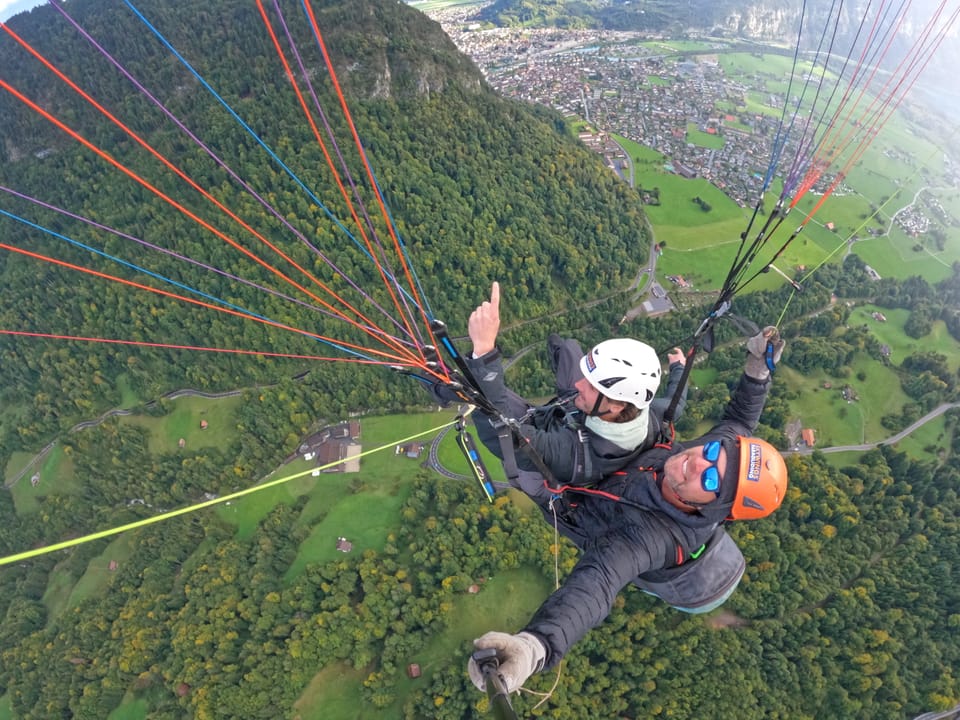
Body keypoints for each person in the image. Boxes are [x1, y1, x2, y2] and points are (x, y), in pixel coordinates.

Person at [466, 325, 788, 694]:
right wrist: (757, 371)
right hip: (612, 471)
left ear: (719, 509)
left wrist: (534, 646)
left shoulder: (649, 538)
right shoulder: (710, 455)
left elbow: (596, 585)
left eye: (712, 481)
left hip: (572, 500)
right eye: (713, 453)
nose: (699, 463)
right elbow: (739, 422)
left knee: (527, 465)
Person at [435, 281, 688, 498]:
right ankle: (561, 359)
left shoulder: (570, 454)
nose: (579, 383)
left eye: (591, 384)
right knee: (567, 347)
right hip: (573, 416)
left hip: (535, 456)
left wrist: (483, 351)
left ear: (617, 404)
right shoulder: (649, 416)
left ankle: (437, 383)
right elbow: (676, 404)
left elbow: (501, 436)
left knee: (475, 392)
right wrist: (679, 368)